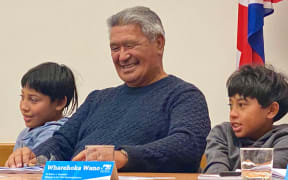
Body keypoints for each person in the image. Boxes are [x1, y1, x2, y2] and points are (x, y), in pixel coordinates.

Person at [6, 6, 211, 172]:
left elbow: (187, 145)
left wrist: (123, 157)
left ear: (158, 43)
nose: (122, 56)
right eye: (115, 48)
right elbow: (61, 142)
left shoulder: (184, 96)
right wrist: (32, 156)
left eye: (130, 45)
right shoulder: (98, 99)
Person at [204, 64, 288, 174]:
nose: (232, 114)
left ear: (271, 110)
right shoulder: (222, 133)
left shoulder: (283, 138)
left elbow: (265, 174)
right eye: (231, 105)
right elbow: (216, 173)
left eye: (242, 105)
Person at [13, 62, 78, 151]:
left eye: (33, 99)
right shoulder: (26, 132)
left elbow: (39, 162)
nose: (24, 107)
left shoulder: (55, 134)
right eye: (22, 97)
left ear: (59, 103)